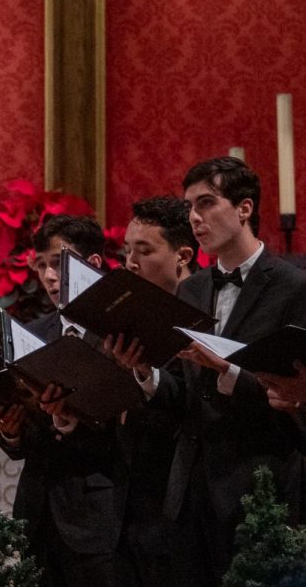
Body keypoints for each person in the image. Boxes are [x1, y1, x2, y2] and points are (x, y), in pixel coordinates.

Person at [110, 157, 306, 585]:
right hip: (190, 490)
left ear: (244, 208)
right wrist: (146, 373)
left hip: (259, 484)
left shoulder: (293, 286)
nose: (195, 218)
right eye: (189, 207)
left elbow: (297, 399)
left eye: (207, 203)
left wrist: (228, 371)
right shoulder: (192, 289)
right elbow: (184, 395)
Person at [0, 214, 130, 587]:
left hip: (98, 512)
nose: (49, 276)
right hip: (37, 513)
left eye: (60, 263)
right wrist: (12, 433)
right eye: (42, 265)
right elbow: (24, 441)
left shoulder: (118, 335)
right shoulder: (33, 334)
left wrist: (68, 421)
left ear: (93, 264)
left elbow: (131, 432)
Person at [109, 195, 199, 586]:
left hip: (179, 501)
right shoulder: (121, 312)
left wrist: (145, 374)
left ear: (182, 256)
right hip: (124, 503)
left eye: (144, 250)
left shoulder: (201, 315)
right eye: (128, 250)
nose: (131, 261)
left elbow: (192, 405)